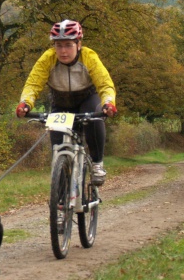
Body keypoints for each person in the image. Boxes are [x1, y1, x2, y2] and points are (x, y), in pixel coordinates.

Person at [15, 19, 117, 184]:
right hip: (61, 103)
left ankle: (97, 164)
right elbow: (33, 84)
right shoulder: (47, 59)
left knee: (95, 120)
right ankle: (61, 195)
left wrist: (108, 103)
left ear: (78, 44)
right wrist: (25, 103)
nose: (63, 51)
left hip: (87, 99)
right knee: (58, 148)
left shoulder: (89, 57)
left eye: (68, 45)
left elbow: (105, 83)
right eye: (58, 45)